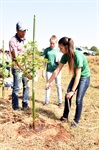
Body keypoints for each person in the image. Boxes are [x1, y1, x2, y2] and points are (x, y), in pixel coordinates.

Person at [46, 37, 90, 127]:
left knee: (78, 99)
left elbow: (78, 75)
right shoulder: (65, 56)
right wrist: (49, 81)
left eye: (61, 48)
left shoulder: (77, 55)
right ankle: (65, 116)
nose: (60, 50)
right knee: (67, 96)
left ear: (66, 47)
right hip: (76, 77)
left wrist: (73, 91)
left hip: (84, 77)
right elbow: (57, 70)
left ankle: (76, 121)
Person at [9, 21, 30, 110]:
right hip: (17, 68)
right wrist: (25, 70)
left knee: (27, 86)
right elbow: (16, 59)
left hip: (25, 67)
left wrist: (29, 67)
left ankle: (25, 104)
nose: (24, 32)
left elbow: (27, 54)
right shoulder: (12, 41)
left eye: (25, 30)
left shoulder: (25, 40)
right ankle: (15, 107)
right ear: (17, 30)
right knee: (17, 87)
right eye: (22, 31)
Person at [42, 35, 63, 106]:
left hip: (57, 71)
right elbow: (44, 61)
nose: (52, 45)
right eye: (51, 43)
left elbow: (61, 61)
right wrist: (43, 71)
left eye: (53, 43)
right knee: (48, 85)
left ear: (56, 43)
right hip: (49, 71)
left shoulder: (59, 50)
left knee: (58, 85)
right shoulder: (47, 50)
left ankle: (60, 101)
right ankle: (46, 101)